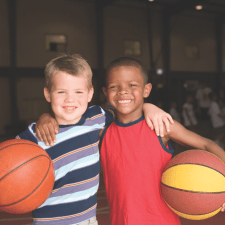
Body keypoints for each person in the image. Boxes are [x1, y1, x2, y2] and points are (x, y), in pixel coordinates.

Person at [17, 54, 173, 225]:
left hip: (88, 221)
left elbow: (125, 106)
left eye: (78, 92)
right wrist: (44, 117)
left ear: (90, 93)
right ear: (48, 94)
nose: (70, 99)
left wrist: (148, 106)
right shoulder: (36, 134)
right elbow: (8, 163)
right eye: (61, 92)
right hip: (48, 221)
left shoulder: (97, 118)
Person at [100, 57, 225, 225]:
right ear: (105, 92)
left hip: (161, 220)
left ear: (146, 90)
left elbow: (206, 144)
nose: (123, 91)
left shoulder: (161, 126)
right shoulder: (102, 131)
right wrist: (50, 117)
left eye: (132, 85)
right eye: (114, 86)